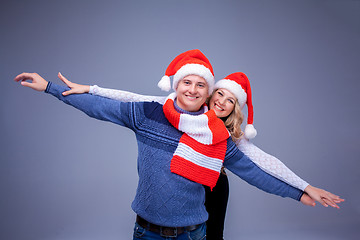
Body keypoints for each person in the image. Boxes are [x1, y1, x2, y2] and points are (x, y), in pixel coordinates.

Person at [15, 50, 326, 240]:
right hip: (146, 231)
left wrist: (298, 193)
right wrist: (50, 88)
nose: (192, 89)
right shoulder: (147, 113)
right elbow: (100, 106)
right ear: (176, 85)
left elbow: (253, 169)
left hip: (193, 234)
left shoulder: (215, 135)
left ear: (208, 94)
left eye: (200, 84)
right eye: (187, 82)